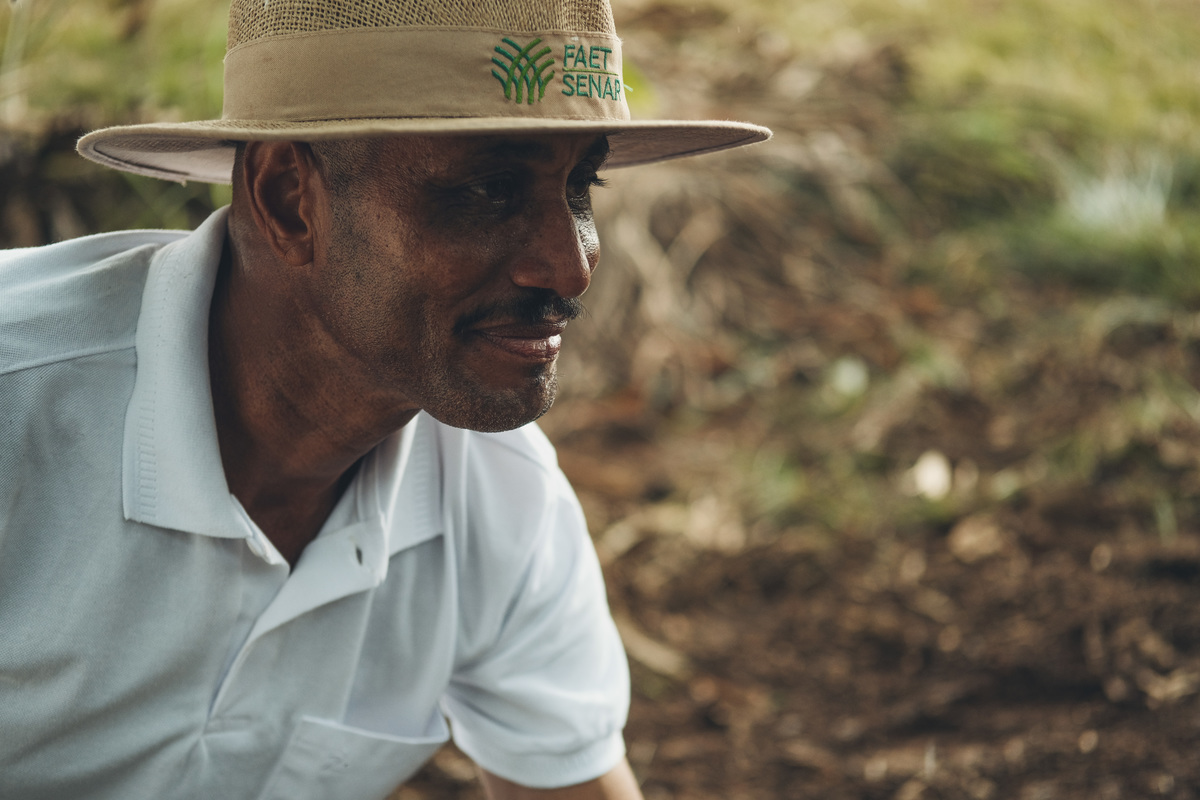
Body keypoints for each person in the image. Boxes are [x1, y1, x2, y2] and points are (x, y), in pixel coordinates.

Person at [0, 1, 769, 798]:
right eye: (488, 190)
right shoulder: (18, 407)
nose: (570, 266)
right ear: (289, 199)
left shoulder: (501, 497)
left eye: (581, 186)